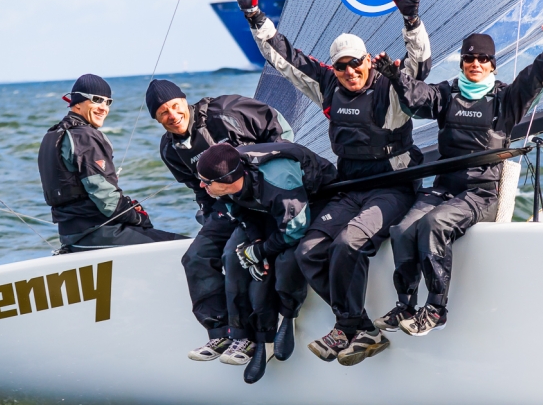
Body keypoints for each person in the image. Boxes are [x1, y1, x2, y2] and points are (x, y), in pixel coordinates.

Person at [227, 0, 431, 366]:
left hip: (393, 187)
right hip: (350, 186)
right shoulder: (327, 86)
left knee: (348, 243)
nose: (350, 72)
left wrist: (412, 22)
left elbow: (418, 68)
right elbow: (284, 57)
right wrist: (253, 13)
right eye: (342, 67)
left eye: (356, 64)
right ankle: (358, 327)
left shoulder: (390, 87)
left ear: (368, 61)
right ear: (334, 69)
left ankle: (348, 326)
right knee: (308, 251)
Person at [372, 17, 543, 335]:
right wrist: (394, 75)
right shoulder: (447, 94)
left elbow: (534, 80)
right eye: (469, 58)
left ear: (493, 64)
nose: (475, 63)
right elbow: (417, 97)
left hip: (480, 194)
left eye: (483, 59)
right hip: (444, 187)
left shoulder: (507, 100)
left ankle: (437, 309)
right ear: (462, 62)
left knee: (433, 224)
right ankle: (405, 305)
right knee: (401, 230)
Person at [145, 79, 294, 362]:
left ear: (184, 101)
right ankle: (220, 333)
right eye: (163, 113)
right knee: (196, 257)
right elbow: (197, 188)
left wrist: (281, 171)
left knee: (233, 255)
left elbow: (278, 125)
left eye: (175, 106)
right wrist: (209, 220)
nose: (172, 115)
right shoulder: (170, 149)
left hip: (265, 197)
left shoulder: (224, 110)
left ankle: (248, 336)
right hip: (226, 207)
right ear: (156, 118)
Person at [195, 142, 338, 383]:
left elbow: (295, 230)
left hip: (312, 202)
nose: (201, 186)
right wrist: (255, 242)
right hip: (268, 208)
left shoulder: (278, 179)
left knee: (285, 259)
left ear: (227, 180)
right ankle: (248, 336)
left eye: (206, 182)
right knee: (235, 257)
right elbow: (241, 212)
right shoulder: (225, 181)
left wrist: (261, 250)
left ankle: (288, 317)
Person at [38, 74, 186, 253]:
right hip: (96, 233)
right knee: (185, 247)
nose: (104, 108)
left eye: (108, 102)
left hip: (71, 236)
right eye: (97, 100)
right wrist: (136, 216)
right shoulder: (84, 136)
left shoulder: (52, 135)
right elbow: (105, 197)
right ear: (77, 102)